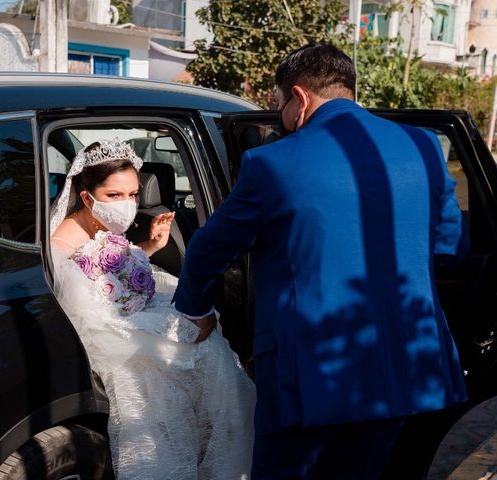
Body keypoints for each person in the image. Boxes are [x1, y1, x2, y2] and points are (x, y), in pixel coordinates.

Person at [173, 44, 469, 479]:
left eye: (278, 105)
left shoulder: (271, 163)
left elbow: (208, 248)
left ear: (300, 96)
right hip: (404, 363)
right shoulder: (424, 145)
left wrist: (197, 310)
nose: (281, 116)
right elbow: (451, 247)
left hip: (310, 371)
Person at [49, 139, 255, 480]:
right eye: (114, 196)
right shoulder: (62, 244)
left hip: (131, 310)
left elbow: (118, 268)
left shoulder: (105, 227)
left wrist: (152, 246)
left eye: (132, 195)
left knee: (207, 335)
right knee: (190, 351)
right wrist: (176, 331)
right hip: (111, 331)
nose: (127, 206)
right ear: (86, 197)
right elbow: (92, 318)